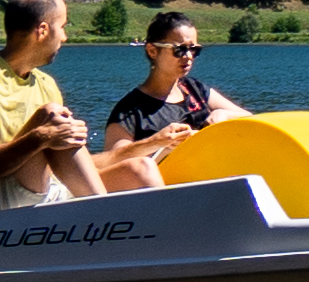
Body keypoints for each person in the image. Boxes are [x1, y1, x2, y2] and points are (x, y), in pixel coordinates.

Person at [0, 0, 103, 212]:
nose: (64, 37)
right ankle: (105, 215)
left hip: (37, 189)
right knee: (52, 117)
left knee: (138, 169)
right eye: (63, 27)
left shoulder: (46, 84)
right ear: (43, 30)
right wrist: (42, 136)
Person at [92, 12, 247, 185]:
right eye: (179, 50)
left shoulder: (196, 89)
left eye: (194, 50)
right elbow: (117, 167)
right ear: (152, 51)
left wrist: (223, 115)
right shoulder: (128, 113)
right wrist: (158, 144)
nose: (188, 56)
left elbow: (251, 119)